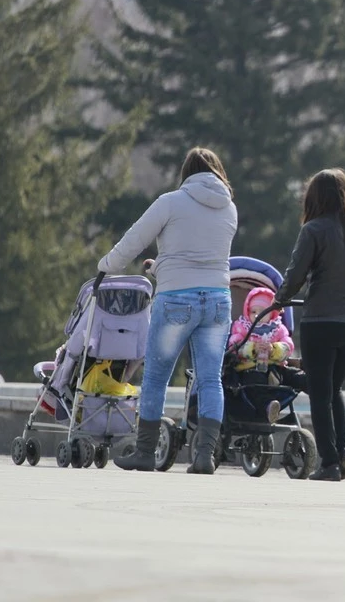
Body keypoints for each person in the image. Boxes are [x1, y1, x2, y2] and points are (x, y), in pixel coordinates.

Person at [98, 147, 237, 474]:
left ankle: (145, 452)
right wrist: (162, 268)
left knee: (157, 377)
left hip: (176, 299)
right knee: (210, 379)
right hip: (218, 299)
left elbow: (135, 239)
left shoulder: (170, 202)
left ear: (186, 173)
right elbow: (202, 258)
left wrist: (106, 266)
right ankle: (205, 456)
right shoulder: (229, 207)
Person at [274, 168, 345, 481]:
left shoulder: (313, 230)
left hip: (321, 321)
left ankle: (329, 462)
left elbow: (295, 274)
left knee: (320, 394)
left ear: (314, 197)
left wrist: (280, 300)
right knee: (333, 388)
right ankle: (344, 450)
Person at [227, 287, 296, 423]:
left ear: (271, 314)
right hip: (250, 369)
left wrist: (274, 349)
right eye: (253, 312)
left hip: (276, 368)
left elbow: (288, 346)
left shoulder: (278, 328)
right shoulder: (242, 327)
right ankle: (268, 408)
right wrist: (252, 348)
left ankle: (319, 391)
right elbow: (233, 345)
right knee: (257, 383)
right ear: (247, 311)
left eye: (262, 312)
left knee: (296, 376)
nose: (257, 316)